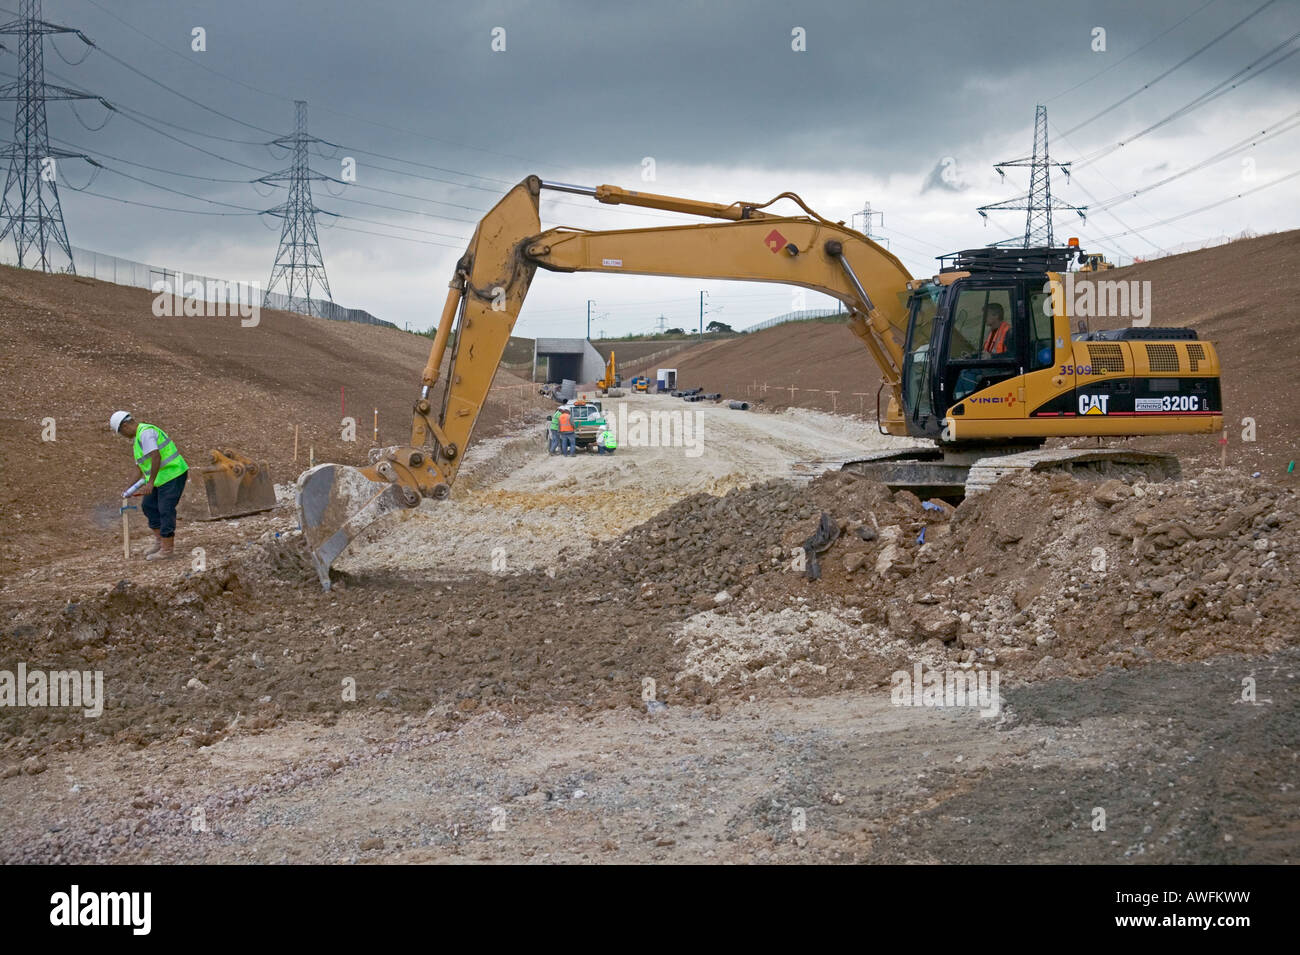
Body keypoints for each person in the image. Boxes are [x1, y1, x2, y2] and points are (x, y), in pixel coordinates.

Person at [110, 411, 189, 560]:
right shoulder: (138, 440)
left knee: (165, 509)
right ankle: (160, 541)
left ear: (125, 426)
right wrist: (128, 488)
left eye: (121, 433)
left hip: (173, 474)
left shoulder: (146, 433)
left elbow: (156, 456)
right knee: (149, 506)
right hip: (161, 478)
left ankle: (167, 550)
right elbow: (139, 468)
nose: (123, 437)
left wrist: (151, 482)